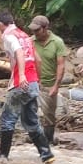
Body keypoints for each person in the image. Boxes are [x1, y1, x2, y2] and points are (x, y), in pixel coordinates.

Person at [0, 10, 55, 164]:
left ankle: (3, 155)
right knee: (31, 120)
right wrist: (37, 80)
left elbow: (19, 53)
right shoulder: (25, 36)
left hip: (20, 83)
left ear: (1, 24)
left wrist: (21, 76)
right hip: (32, 82)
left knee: (7, 118)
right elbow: (38, 60)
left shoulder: (8, 36)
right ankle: (46, 154)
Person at [30, 15, 68, 147]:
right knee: (30, 111)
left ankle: (48, 141)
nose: (34, 33)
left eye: (37, 30)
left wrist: (56, 86)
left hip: (49, 84)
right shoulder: (31, 42)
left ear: (45, 28)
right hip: (33, 83)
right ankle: (35, 137)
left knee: (49, 115)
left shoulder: (57, 42)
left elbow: (61, 65)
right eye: (33, 30)